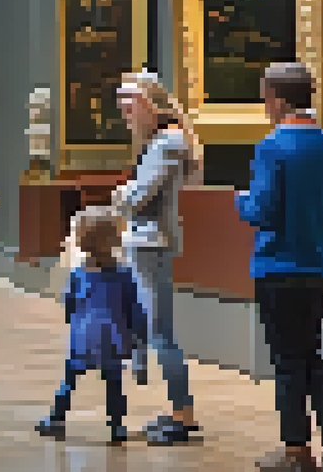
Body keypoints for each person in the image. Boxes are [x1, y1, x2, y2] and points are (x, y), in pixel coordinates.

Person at [236, 62, 323, 472]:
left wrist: (240, 199)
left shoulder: (272, 147)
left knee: (287, 359)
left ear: (276, 99)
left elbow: (260, 210)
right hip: (317, 265)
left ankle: (296, 449)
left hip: (277, 266)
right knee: (307, 351)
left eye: (265, 98)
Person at [112, 68, 203, 445]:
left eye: (129, 101)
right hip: (149, 241)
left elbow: (136, 198)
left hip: (151, 243)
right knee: (154, 328)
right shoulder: (168, 141)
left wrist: (121, 194)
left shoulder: (166, 143)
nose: (123, 109)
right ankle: (178, 409)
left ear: (148, 103)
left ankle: (183, 415)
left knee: (160, 332)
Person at [35, 213, 147, 445]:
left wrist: (72, 322)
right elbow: (136, 309)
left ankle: (55, 420)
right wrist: (139, 338)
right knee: (114, 384)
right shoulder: (125, 275)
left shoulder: (78, 273)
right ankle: (117, 426)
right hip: (115, 337)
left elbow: (69, 303)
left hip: (83, 337)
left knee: (69, 381)